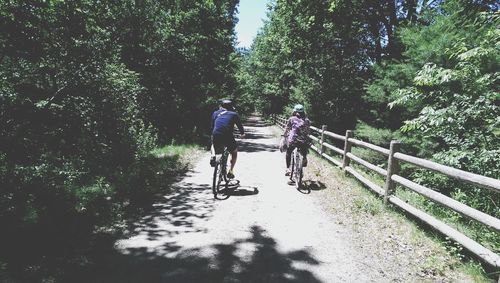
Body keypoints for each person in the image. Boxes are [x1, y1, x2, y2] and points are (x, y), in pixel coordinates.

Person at [210, 99, 245, 179]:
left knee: (213, 143)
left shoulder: (215, 113)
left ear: (221, 106)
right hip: (227, 135)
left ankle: (213, 155)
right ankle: (231, 171)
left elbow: (212, 126)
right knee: (234, 152)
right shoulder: (234, 114)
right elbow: (239, 126)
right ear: (231, 107)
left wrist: (213, 133)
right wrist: (242, 134)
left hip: (216, 133)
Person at [284, 104, 311, 176]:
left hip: (293, 140)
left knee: (288, 151)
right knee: (304, 148)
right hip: (303, 140)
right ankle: (304, 158)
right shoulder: (307, 120)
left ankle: (287, 168)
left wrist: (284, 135)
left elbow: (287, 129)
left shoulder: (292, 119)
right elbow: (308, 131)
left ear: (295, 111)